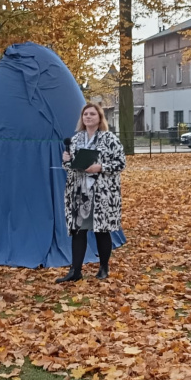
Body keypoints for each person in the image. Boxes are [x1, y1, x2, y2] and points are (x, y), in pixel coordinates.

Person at [58, 104, 126, 282]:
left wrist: (100, 167)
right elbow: (69, 168)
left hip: (102, 193)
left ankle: (103, 267)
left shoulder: (109, 138)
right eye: (85, 114)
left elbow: (120, 163)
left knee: (101, 231)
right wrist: (66, 161)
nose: (88, 117)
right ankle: (75, 271)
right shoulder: (75, 140)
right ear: (82, 118)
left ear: (100, 118)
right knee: (78, 231)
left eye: (92, 114)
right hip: (80, 192)